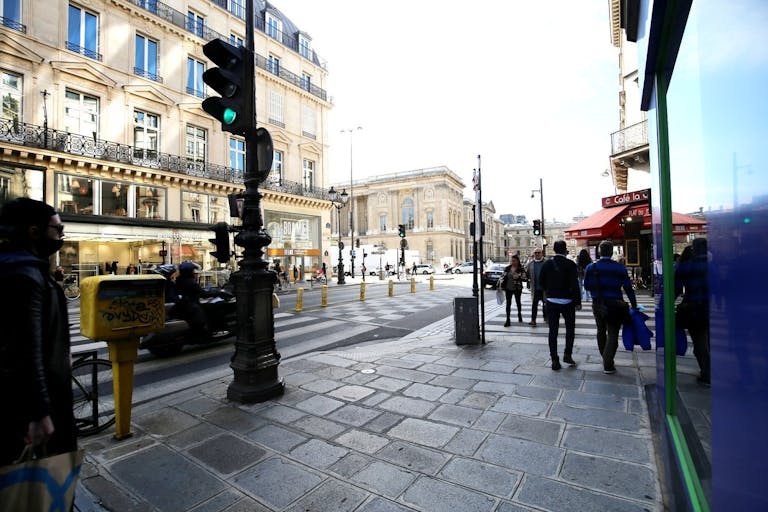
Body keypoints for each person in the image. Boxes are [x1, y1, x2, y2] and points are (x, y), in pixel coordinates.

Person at [0, 198, 77, 466]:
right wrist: (39, 411)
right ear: (34, 231)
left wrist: (64, 352)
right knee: (44, 481)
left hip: (36, 393)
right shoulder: (23, 274)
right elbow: (24, 348)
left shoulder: (24, 268)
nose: (62, 236)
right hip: (39, 403)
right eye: (58, 229)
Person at [584, 240, 638, 374]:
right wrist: (634, 304)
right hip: (615, 304)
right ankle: (608, 363)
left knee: (600, 330)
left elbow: (586, 286)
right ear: (611, 251)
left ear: (599, 252)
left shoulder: (591, 267)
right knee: (613, 333)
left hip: (598, 303)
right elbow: (628, 288)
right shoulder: (620, 267)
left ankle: (605, 357)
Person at [539, 241, 582, 371]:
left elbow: (541, 282)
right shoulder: (570, 264)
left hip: (551, 301)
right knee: (570, 329)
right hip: (567, 302)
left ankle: (554, 359)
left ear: (554, 250)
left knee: (553, 331)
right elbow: (575, 284)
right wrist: (577, 301)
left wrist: (550, 291)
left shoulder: (547, 264)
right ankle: (567, 354)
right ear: (565, 250)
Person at [675, 237, 710, 385]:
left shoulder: (687, 266)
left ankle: (707, 373)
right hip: (711, 308)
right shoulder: (715, 265)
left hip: (694, 307)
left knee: (699, 342)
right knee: (707, 340)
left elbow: (675, 288)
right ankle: (707, 370)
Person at [174, 261, 209, 341]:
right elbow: (203, 293)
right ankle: (199, 335)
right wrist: (216, 292)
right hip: (191, 305)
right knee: (202, 319)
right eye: (193, 271)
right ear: (189, 271)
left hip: (183, 305)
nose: (194, 273)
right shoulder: (191, 282)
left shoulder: (179, 280)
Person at [499, 254, 526, 326]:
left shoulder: (521, 268)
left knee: (518, 302)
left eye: (514, 261)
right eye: (512, 261)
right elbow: (502, 276)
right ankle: (508, 319)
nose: (512, 262)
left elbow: (524, 277)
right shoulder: (507, 268)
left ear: (517, 261)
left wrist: (519, 276)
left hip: (517, 288)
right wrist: (501, 284)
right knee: (508, 304)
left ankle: (519, 313)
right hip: (508, 288)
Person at [525, 247, 546, 326]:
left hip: (544, 288)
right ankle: (533, 320)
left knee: (545, 304)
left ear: (542, 253)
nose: (537, 254)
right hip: (535, 288)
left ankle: (545, 316)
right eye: (535, 253)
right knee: (534, 305)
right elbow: (527, 275)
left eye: (538, 252)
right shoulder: (530, 264)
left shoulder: (546, 262)